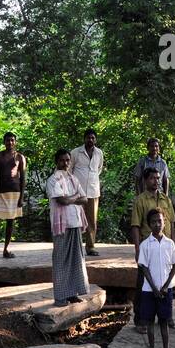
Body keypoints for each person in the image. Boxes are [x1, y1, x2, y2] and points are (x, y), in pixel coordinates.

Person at [130, 166, 175, 332]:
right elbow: (135, 226)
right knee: (143, 283)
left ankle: (167, 316)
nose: (156, 181)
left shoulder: (165, 199)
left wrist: (173, 244)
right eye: (152, 178)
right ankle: (141, 320)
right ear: (145, 180)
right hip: (147, 245)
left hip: (165, 245)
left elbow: (171, 222)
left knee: (167, 280)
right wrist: (137, 249)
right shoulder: (140, 200)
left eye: (158, 178)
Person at [136, 208, 175, 348]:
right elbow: (144, 268)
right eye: (154, 222)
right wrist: (155, 288)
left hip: (165, 290)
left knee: (164, 322)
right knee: (149, 322)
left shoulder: (169, 244)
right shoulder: (145, 245)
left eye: (160, 221)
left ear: (164, 223)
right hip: (149, 291)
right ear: (149, 224)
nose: (157, 224)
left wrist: (165, 286)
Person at [45, 149, 91, 306]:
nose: (65, 163)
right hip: (62, 226)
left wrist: (72, 198)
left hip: (75, 223)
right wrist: (75, 198)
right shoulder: (53, 180)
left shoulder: (73, 178)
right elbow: (61, 201)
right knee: (61, 260)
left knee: (76, 260)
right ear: (56, 162)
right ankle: (60, 297)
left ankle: (72, 294)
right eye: (62, 160)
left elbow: (85, 199)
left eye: (67, 160)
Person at [0, 131, 26, 260]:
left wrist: (22, 197)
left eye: (12, 140)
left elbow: (23, 178)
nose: (10, 142)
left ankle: (6, 250)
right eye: (8, 140)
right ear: (4, 142)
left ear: (15, 142)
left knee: (10, 221)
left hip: (15, 192)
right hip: (0, 192)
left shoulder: (20, 157)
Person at [70, 129, 104, 255]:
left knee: (92, 220)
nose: (90, 140)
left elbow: (99, 169)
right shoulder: (76, 152)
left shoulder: (99, 153)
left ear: (95, 139)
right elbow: (69, 169)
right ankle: (75, 247)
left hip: (93, 192)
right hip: (77, 193)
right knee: (76, 219)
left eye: (93, 138)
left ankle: (90, 247)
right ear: (84, 139)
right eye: (88, 138)